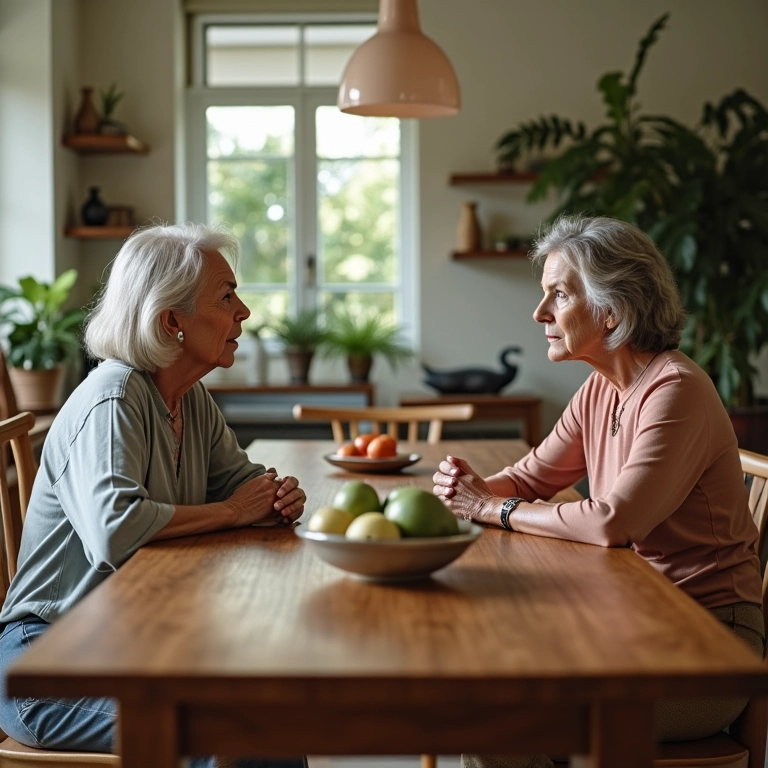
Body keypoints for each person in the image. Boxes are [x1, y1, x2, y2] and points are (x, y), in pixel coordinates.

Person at [432, 215, 765, 768]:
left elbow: (615, 523)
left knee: (504, 724)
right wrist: (469, 490)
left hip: (709, 649)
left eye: (557, 296)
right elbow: (533, 477)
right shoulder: (601, 388)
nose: (539, 314)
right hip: (631, 622)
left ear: (613, 309)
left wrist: (494, 508)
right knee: (490, 685)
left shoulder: (674, 390)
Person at [0, 222, 307, 768]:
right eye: (226, 295)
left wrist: (274, 496)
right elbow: (116, 530)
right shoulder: (113, 397)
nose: (244, 312)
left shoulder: (188, 399)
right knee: (237, 735)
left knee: (272, 720)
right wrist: (237, 510)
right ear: (172, 321)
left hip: (127, 644)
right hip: (46, 662)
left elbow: (240, 479)